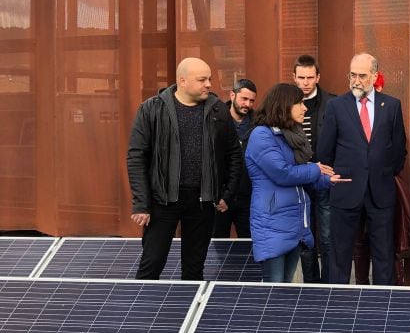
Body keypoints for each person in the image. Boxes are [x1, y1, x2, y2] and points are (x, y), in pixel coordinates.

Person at [126, 57, 241, 281]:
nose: (209, 84)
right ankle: (143, 312)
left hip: (203, 202)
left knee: (194, 269)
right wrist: (141, 203)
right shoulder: (152, 109)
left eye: (209, 79)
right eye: (202, 79)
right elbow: (136, 156)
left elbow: (234, 154)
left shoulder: (218, 110)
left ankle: (183, 314)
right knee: (152, 263)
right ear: (182, 81)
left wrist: (227, 194)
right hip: (163, 201)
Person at [317, 53, 407, 285]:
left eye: (362, 75)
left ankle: (382, 303)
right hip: (345, 190)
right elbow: (325, 151)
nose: (356, 80)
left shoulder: (392, 106)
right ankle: (338, 303)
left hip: (381, 191)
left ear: (375, 76)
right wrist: (334, 177)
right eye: (352, 75)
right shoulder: (336, 106)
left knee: (383, 253)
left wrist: (385, 173)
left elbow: (399, 149)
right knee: (340, 253)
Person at [245, 83, 344, 283]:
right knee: (274, 291)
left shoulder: (289, 135)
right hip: (272, 224)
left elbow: (299, 179)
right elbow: (283, 174)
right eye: (299, 103)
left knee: (286, 287)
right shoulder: (261, 135)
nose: (305, 108)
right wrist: (315, 169)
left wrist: (325, 179)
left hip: (294, 224)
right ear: (284, 105)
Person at [293, 55, 334, 283]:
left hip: (324, 179)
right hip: (299, 181)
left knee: (327, 238)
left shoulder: (333, 103)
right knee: (305, 238)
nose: (305, 82)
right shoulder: (287, 103)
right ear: (294, 77)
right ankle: (310, 285)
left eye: (310, 77)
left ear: (318, 77)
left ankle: (327, 286)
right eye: (301, 77)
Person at [213, 78, 256, 239]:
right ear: (232, 95)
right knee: (218, 245)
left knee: (248, 246)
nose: (247, 104)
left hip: (248, 197)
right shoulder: (216, 120)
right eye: (244, 99)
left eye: (251, 101)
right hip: (221, 198)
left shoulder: (258, 125)